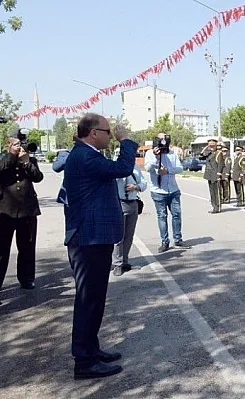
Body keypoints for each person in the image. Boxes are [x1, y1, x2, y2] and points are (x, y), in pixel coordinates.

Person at [63, 113, 137, 379]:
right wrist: (126, 140)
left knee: (94, 299)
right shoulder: (85, 156)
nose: (111, 135)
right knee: (88, 300)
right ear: (93, 133)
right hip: (88, 239)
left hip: (95, 238)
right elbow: (123, 168)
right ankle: (84, 361)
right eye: (108, 131)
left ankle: (91, 349)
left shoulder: (89, 155)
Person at [0, 129, 44, 301]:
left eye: (21, 143)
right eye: (16, 144)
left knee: (27, 246)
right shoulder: (3, 158)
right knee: (2, 249)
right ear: (8, 144)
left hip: (27, 209)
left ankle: (26, 278)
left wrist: (27, 162)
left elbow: (38, 177)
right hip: (5, 210)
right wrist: (11, 155)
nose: (20, 147)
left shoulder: (29, 159)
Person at [144, 133, 190, 253]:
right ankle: (165, 242)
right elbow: (148, 168)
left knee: (176, 215)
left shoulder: (171, 153)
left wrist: (168, 171)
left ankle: (178, 239)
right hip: (158, 191)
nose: (163, 141)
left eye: (165, 139)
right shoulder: (150, 153)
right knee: (162, 216)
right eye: (161, 139)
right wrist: (156, 157)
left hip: (173, 190)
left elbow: (180, 168)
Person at [112, 160, 147, 276]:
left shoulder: (135, 167)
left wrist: (136, 187)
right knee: (119, 237)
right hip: (120, 203)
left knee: (129, 235)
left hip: (133, 202)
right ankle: (117, 264)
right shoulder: (116, 166)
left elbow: (144, 183)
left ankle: (125, 261)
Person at [200, 138, 223, 213]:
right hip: (209, 175)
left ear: (216, 145)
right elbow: (201, 157)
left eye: (213, 145)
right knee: (212, 192)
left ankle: (218, 207)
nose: (211, 147)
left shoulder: (219, 153)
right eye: (210, 145)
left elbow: (220, 164)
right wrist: (205, 149)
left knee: (216, 192)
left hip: (215, 174)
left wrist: (219, 175)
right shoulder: (208, 153)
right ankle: (214, 206)